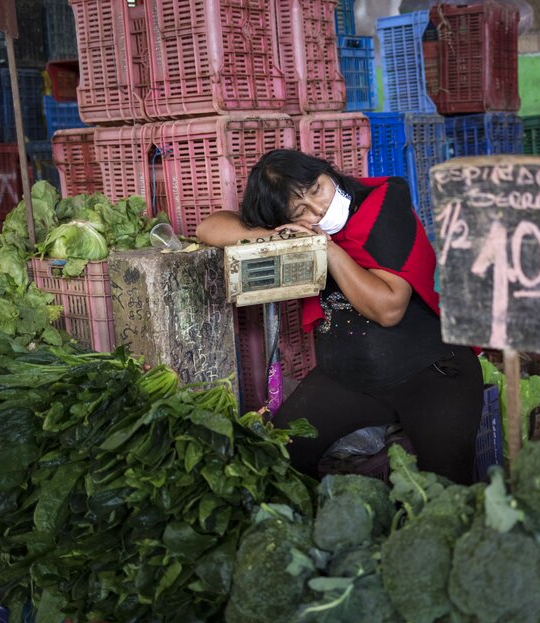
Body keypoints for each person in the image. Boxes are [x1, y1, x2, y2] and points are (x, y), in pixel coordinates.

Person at [197, 149, 484, 485]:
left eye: (318, 189)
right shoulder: (293, 230)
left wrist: (327, 249)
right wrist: (275, 237)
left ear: (326, 172)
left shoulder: (384, 205)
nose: (318, 208)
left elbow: (389, 309)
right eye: (300, 210)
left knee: (448, 492)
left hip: (432, 374)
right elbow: (209, 226)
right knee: (278, 457)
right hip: (350, 376)